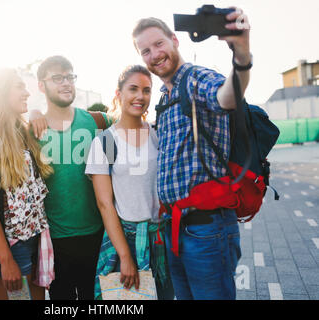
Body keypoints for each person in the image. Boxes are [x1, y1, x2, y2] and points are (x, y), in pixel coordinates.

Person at [132, 9, 251, 300]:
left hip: (206, 230)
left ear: (174, 40)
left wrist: (242, 54)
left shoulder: (196, 78)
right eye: (145, 50)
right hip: (177, 229)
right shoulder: (165, 96)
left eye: (159, 44)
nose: (154, 54)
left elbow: (228, 97)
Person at [85, 65, 174, 300]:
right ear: (119, 94)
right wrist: (125, 256)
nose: (140, 96)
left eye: (146, 90)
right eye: (133, 89)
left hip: (161, 237)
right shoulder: (105, 142)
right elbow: (105, 204)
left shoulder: (158, 134)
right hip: (125, 240)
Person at [31, 55, 113, 300]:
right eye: (57, 78)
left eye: (70, 76)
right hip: (55, 241)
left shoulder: (97, 123)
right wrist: (33, 112)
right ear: (41, 85)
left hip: (98, 235)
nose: (66, 83)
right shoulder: (32, 131)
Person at [0, 68, 53, 300]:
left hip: (35, 240)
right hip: (13, 246)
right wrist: (6, 261)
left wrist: (35, 112)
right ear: (0, 93)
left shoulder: (21, 131)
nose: (27, 92)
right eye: (19, 87)